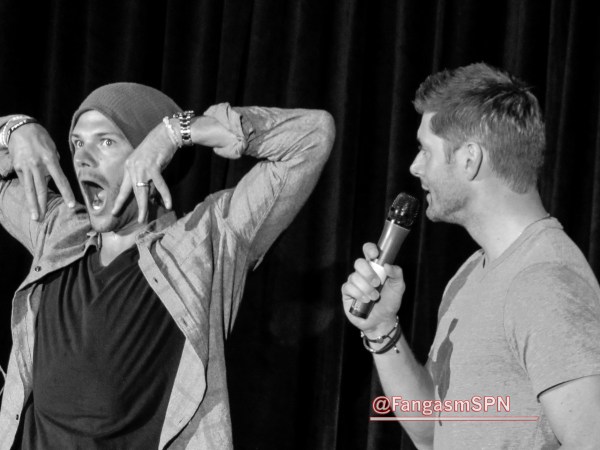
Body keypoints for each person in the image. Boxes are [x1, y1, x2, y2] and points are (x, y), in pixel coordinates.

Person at [0, 82, 334, 449]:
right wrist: (15, 130)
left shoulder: (203, 243)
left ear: (154, 156)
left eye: (106, 141)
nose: (82, 158)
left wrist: (177, 131)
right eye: (78, 143)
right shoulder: (60, 231)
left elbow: (312, 136)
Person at [341, 63, 600, 449]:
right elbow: (432, 431)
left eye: (425, 150)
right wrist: (381, 328)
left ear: (469, 159)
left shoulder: (544, 280)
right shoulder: (469, 274)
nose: (414, 166)